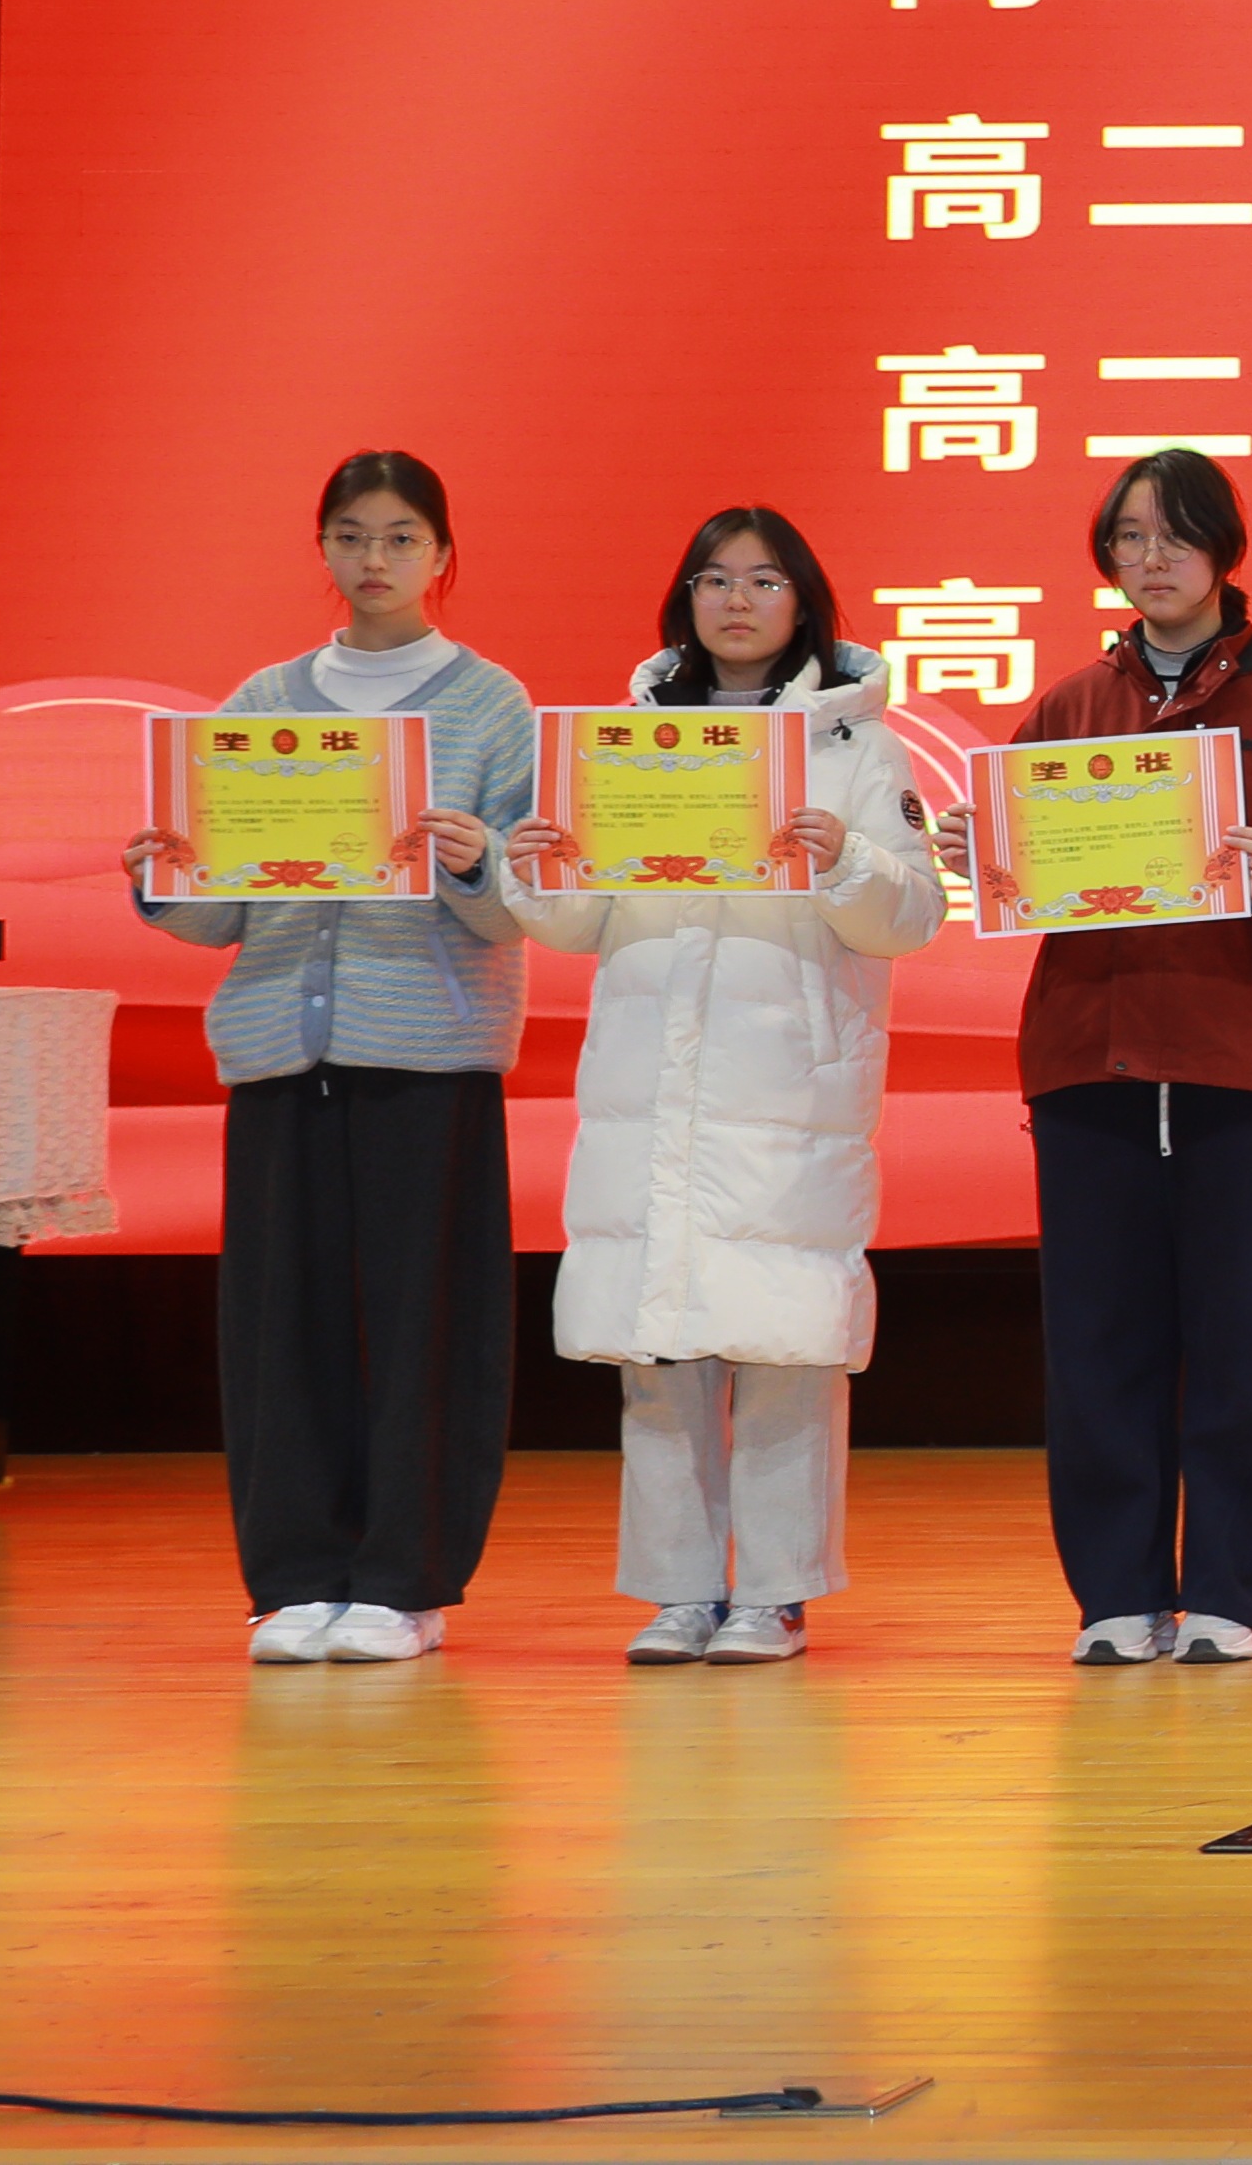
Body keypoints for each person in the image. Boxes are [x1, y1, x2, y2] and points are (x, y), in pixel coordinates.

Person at [937, 450, 1252, 1667]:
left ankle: (1230, 1591)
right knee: (1098, 1344)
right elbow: (1021, 878)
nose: (1152, 560)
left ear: (1222, 550)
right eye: (1129, 539)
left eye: (1175, 536)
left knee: (1240, 1340)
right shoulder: (1071, 705)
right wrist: (986, 850)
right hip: (1091, 1061)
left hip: (1246, 1062)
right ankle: (1116, 1594)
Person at [508, 507, 942, 1668]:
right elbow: (578, 921)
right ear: (684, 600)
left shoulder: (858, 748)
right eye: (713, 579)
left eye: (762, 580)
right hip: (651, 1082)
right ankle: (676, 1590)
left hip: (786, 1085)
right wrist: (538, 871)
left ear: (805, 602)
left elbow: (912, 915)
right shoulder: (625, 743)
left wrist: (844, 860)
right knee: (659, 1349)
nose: (736, 601)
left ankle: (777, 1592)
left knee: (785, 1344)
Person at [124, 450, 532, 1666]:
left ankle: (406, 1580)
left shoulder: (489, 704)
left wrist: (474, 861)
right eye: (352, 536)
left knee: (422, 1330)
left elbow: (524, 904)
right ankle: (295, 1577)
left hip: (428, 1053)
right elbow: (223, 914)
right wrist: (165, 876)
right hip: (277, 1053)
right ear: (322, 550)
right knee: (280, 1326)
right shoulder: (264, 700)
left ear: (441, 554)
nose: (375, 560)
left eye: (401, 537)